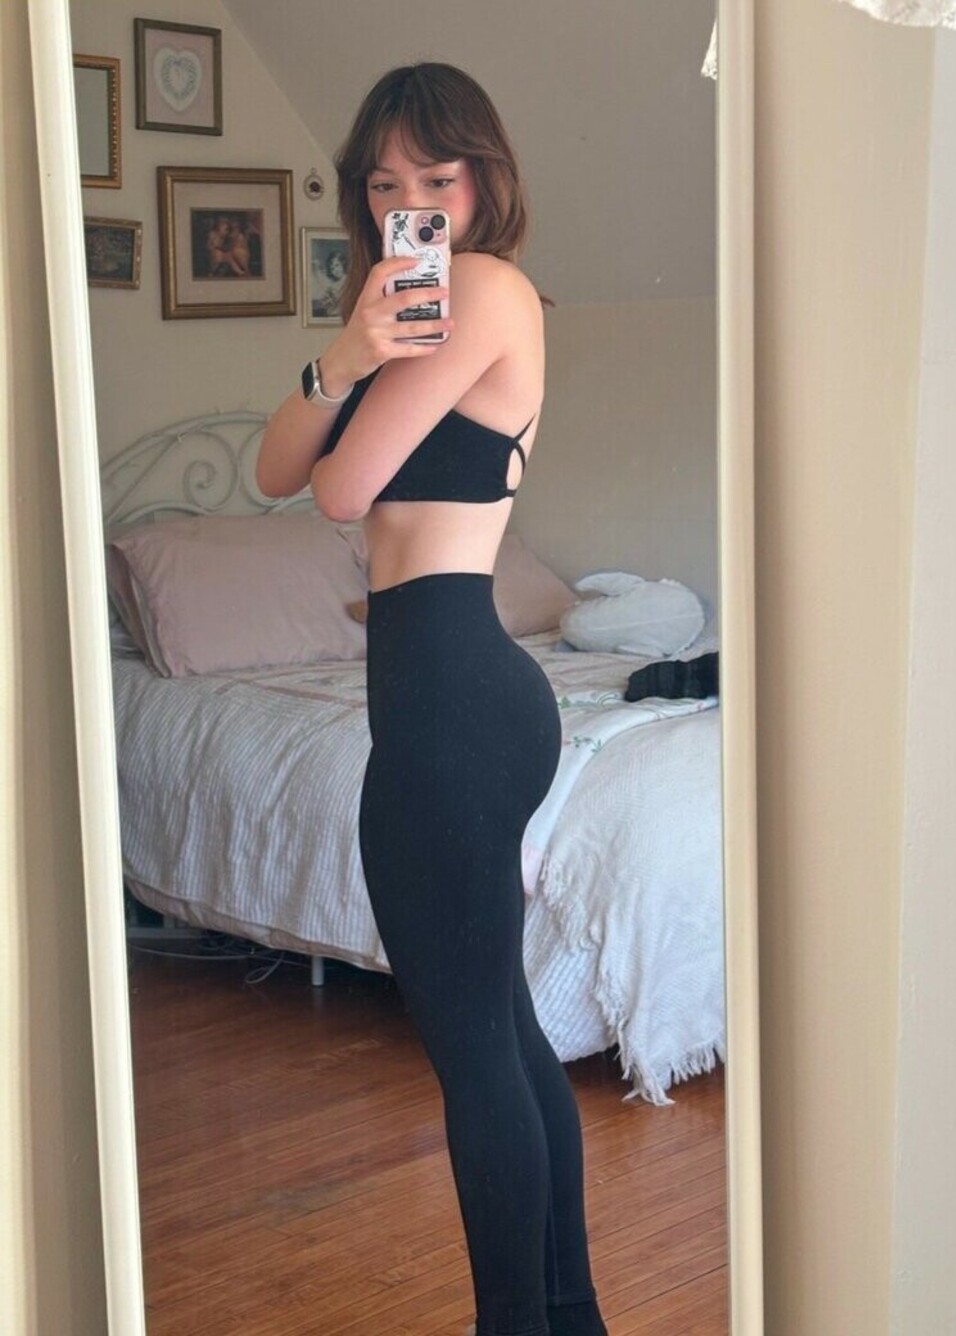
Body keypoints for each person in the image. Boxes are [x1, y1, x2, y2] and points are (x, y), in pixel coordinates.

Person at [255, 63, 608, 1336]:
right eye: (384, 183)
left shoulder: (488, 291)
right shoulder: (402, 314)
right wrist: (343, 352)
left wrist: (358, 357)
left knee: (472, 1053)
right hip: (450, 698)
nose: (411, 202)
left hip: (455, 698)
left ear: (484, 177)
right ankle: (566, 1315)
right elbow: (271, 466)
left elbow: (341, 490)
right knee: (502, 1032)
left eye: (437, 177)